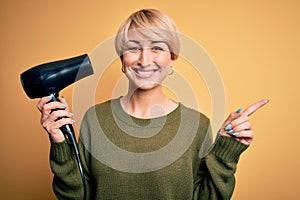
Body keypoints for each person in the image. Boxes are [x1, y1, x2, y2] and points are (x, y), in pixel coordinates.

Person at [37, 9, 269, 200]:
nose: (144, 60)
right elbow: (76, 197)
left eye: (157, 47)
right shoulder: (95, 119)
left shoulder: (196, 125)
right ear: (122, 60)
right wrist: (59, 143)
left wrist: (226, 153)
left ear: (172, 58)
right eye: (133, 48)